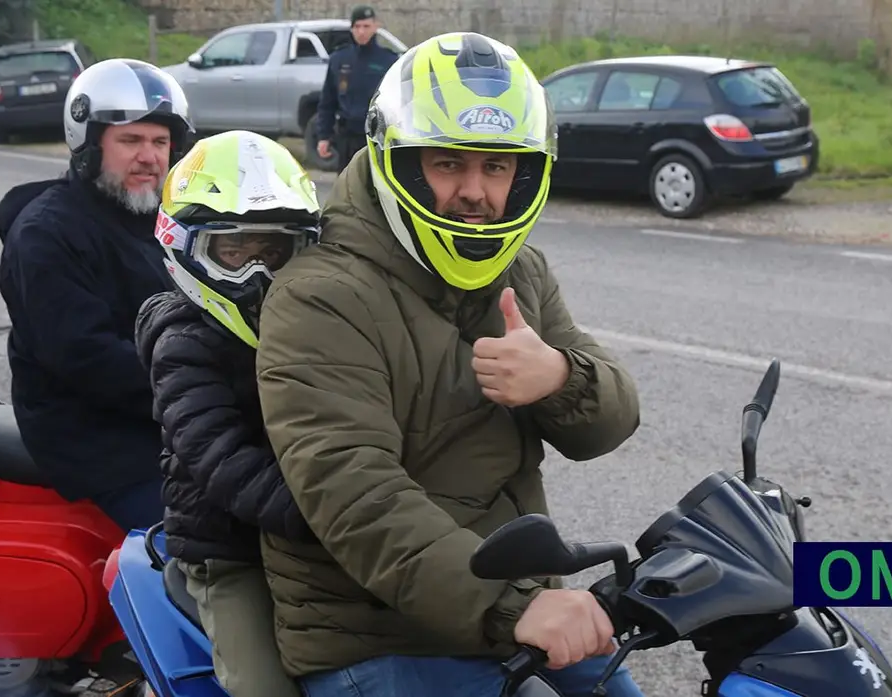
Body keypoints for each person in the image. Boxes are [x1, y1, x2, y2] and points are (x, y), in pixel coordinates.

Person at [255, 32, 644, 697]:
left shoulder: (518, 269)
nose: (475, 193)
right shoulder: (319, 295)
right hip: (374, 632)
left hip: (508, 603)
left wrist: (557, 377)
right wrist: (515, 605)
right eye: (447, 165)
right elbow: (357, 495)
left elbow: (610, 422)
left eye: (496, 169)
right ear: (395, 162)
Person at [133, 130, 324, 697]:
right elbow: (221, 460)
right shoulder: (182, 344)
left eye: (274, 251)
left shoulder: (316, 327)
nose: (258, 273)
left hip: (310, 528)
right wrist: (327, 515)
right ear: (186, 248)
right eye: (234, 252)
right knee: (264, 686)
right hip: (226, 550)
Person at [0, 58, 193, 531]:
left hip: (169, 414)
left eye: (160, 142)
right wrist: (204, 390)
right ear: (89, 144)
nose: (149, 156)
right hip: (98, 437)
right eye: (131, 140)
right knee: (212, 541)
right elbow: (90, 359)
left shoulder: (165, 217)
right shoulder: (46, 235)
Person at [314, 4, 398, 169]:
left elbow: (397, 103)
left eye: (366, 26)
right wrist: (324, 136)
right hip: (347, 138)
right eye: (357, 26)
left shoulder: (388, 61)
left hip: (376, 138)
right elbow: (327, 102)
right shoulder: (339, 59)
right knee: (346, 188)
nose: (361, 31)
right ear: (352, 28)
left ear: (375, 27)